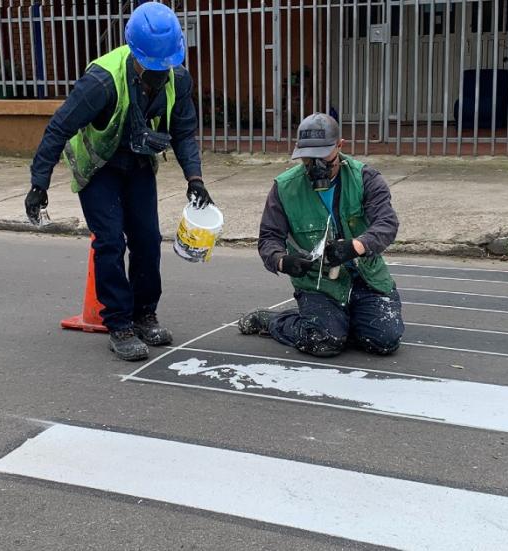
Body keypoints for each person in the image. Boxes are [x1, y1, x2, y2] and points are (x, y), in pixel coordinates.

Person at [26, 2, 212, 361]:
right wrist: (39, 184)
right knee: (110, 241)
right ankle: (119, 325)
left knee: (146, 238)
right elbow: (59, 128)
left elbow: (184, 132)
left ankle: (144, 314)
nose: (161, 74)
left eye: (166, 67)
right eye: (153, 68)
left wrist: (195, 178)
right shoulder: (101, 81)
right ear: (136, 55)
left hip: (138, 164)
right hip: (99, 166)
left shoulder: (178, 77)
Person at [237, 113, 404, 357]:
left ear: (340, 146)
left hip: (365, 277)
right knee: (323, 341)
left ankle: (340, 321)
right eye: (308, 157)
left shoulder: (365, 178)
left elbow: (387, 224)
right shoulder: (285, 187)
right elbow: (268, 237)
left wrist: (355, 246)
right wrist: (283, 261)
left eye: (323, 155)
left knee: (384, 340)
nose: (315, 164)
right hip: (319, 283)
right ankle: (275, 321)